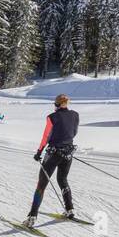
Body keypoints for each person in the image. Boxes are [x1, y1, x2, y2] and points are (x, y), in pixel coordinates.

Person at [24, 94, 80, 227]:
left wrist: (39, 152)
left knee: (41, 185)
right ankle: (69, 209)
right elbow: (74, 132)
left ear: (57, 104)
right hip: (68, 153)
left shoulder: (52, 117)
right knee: (63, 180)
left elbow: (46, 136)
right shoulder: (75, 115)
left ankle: (32, 218)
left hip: (53, 153)